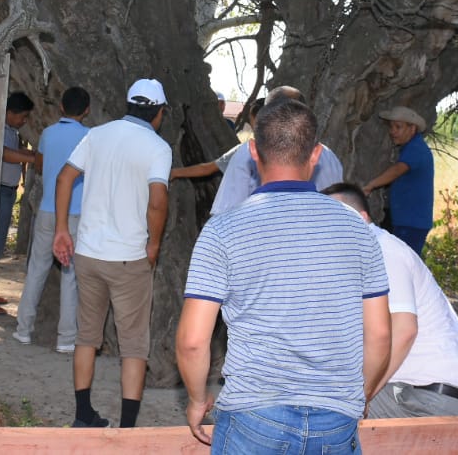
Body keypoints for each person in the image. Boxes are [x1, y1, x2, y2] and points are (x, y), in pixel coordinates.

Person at [176, 100, 392, 451]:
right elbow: (381, 335)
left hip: (253, 415)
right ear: (316, 154)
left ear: (252, 151)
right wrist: (356, 397)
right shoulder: (358, 229)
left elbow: (192, 341)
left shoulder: (222, 231)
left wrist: (198, 400)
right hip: (335, 420)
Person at [52, 78, 171, 429]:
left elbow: (63, 178)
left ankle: (82, 414)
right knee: (134, 344)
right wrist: (154, 243)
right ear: (159, 113)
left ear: (129, 104)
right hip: (129, 257)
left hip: (88, 254)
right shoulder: (157, 147)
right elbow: (158, 200)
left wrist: (62, 229)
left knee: (87, 336)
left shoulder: (97, 134)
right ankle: (128, 427)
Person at [324, 182, 458, 419]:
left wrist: (362, 396)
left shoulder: (382, 249)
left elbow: (404, 331)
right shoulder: (357, 260)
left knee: (322, 413)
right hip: (431, 393)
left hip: (433, 399)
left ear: (362, 217)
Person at [14, 86, 90, 352]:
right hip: (76, 214)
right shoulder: (90, 137)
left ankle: (23, 330)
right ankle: (66, 339)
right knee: (71, 277)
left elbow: (40, 164)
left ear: (61, 107)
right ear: (87, 110)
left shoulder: (47, 133)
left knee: (36, 270)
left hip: (48, 210)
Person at [208, 86, 342, 214]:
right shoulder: (329, 157)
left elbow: (225, 212)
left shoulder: (249, 152)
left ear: (266, 112)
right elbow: (337, 209)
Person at [363, 105, 434, 258]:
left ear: (412, 128)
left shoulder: (415, 149)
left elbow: (397, 171)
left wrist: (370, 186)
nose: (392, 131)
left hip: (411, 222)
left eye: (398, 127)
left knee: (405, 263)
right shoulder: (412, 147)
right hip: (409, 220)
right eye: (391, 127)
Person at [0, 91, 41, 261]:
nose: (24, 121)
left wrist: (32, 153)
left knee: (0, 235)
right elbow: (5, 154)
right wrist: (34, 158)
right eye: (22, 117)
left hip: (9, 190)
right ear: (10, 113)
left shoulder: (12, 131)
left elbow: (16, 152)